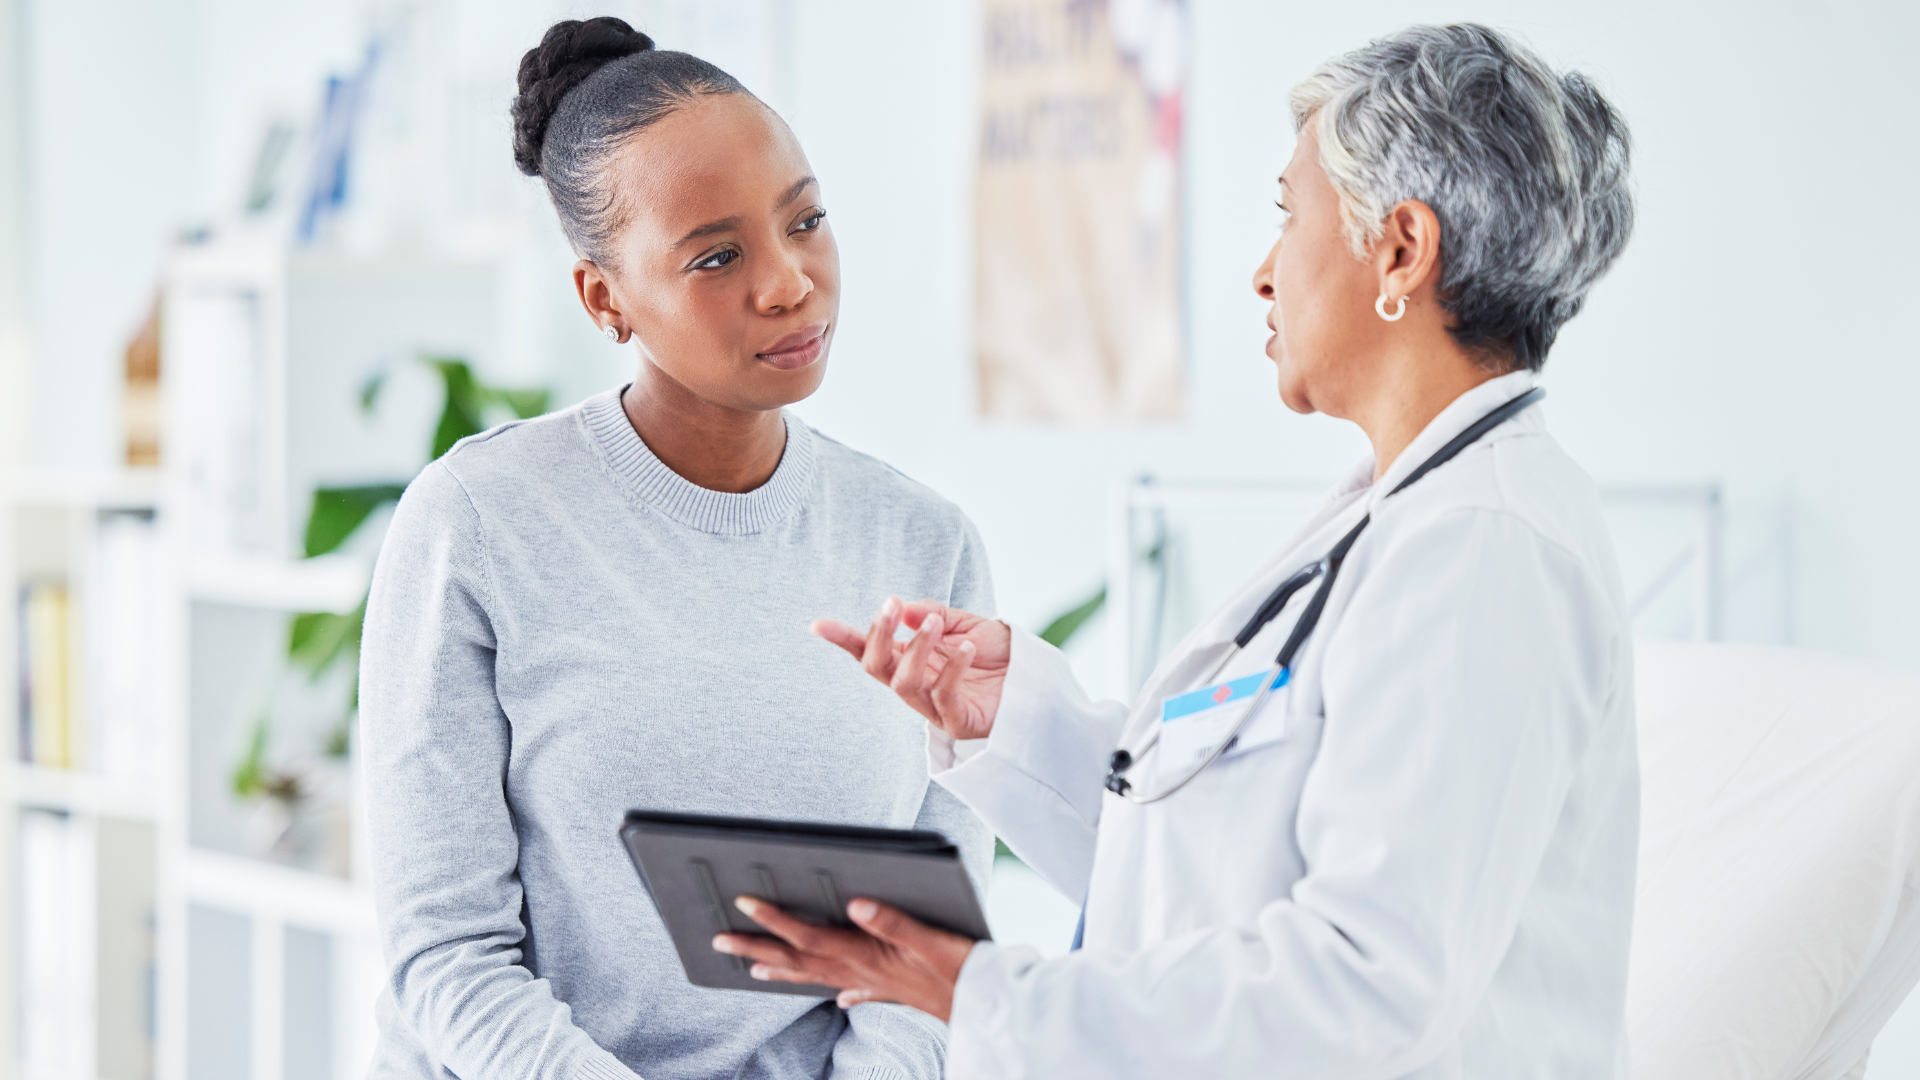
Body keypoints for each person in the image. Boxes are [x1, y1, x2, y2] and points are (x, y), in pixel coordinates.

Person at [717, 23, 1640, 1079]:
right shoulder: (1399, 520)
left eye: (1289, 216)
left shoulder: (1484, 548)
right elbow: (1205, 876)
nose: (1262, 271)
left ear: (1401, 251)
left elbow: (1370, 988)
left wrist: (981, 994)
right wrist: (1019, 718)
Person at [358, 17, 993, 1080]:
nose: (789, 281)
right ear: (606, 299)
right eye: (717, 255)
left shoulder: (924, 542)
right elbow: (448, 956)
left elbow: (925, 959)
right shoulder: (478, 521)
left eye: (808, 221)